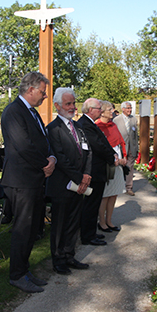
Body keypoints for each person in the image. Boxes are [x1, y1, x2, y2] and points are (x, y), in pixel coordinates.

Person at [0, 72, 55, 293]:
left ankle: (24, 270)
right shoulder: (14, 112)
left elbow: (43, 140)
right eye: (42, 92)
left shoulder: (32, 113)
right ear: (30, 89)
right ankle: (17, 275)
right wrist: (45, 164)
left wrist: (52, 158)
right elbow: (23, 146)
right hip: (21, 181)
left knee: (33, 228)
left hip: (34, 179)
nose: (44, 97)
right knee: (23, 228)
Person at [46, 88, 92, 275]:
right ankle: (58, 259)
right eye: (68, 104)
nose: (72, 107)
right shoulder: (53, 129)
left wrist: (87, 175)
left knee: (74, 222)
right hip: (62, 186)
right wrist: (79, 177)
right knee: (60, 224)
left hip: (79, 185)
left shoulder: (78, 127)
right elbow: (60, 158)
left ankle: (69, 255)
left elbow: (88, 152)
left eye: (73, 103)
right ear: (57, 106)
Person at [77, 98, 117, 246]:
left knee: (94, 203)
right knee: (90, 204)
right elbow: (97, 146)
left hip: (97, 170)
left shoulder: (89, 123)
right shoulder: (85, 125)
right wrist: (111, 158)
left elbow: (104, 142)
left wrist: (113, 153)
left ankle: (91, 232)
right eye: (98, 108)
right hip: (92, 170)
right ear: (90, 110)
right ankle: (87, 236)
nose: (101, 111)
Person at [96, 101, 127, 233]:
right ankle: (101, 222)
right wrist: (112, 159)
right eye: (109, 109)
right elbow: (100, 148)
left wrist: (124, 157)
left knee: (114, 194)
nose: (112, 111)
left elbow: (121, 142)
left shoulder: (113, 125)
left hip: (118, 163)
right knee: (105, 195)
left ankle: (109, 220)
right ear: (101, 112)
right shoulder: (97, 126)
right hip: (107, 165)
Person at [113, 101, 138, 196]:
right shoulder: (116, 120)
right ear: (122, 109)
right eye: (127, 108)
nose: (129, 110)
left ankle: (129, 187)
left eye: (130, 108)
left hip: (131, 147)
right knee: (119, 167)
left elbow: (136, 136)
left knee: (130, 167)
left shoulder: (134, 120)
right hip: (120, 147)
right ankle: (117, 186)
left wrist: (136, 148)